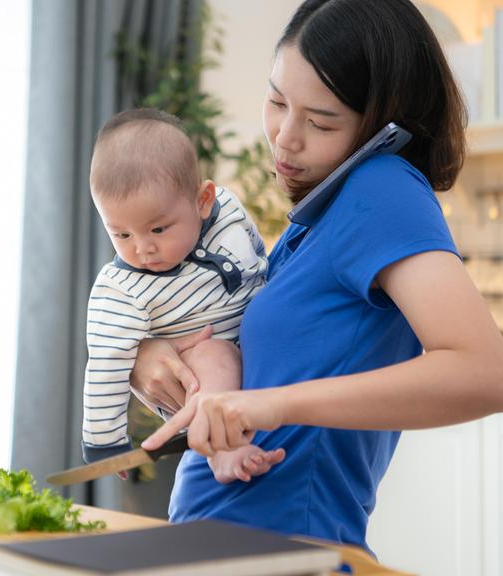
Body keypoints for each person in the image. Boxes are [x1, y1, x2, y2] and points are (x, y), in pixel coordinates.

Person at [135, 0, 503, 553]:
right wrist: (170, 373)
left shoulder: (381, 188)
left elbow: (485, 372)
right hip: (225, 551)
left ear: (382, 123)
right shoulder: (315, 223)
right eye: (277, 101)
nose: (285, 137)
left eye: (321, 121)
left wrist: (276, 403)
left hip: (286, 555)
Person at [82, 108, 285, 483]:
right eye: (122, 234)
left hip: (260, 352)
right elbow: (106, 364)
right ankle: (223, 452)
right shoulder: (120, 290)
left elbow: (257, 255)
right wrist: (105, 444)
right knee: (214, 354)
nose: (143, 249)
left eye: (158, 228)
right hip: (196, 365)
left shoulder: (227, 213)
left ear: (202, 200)